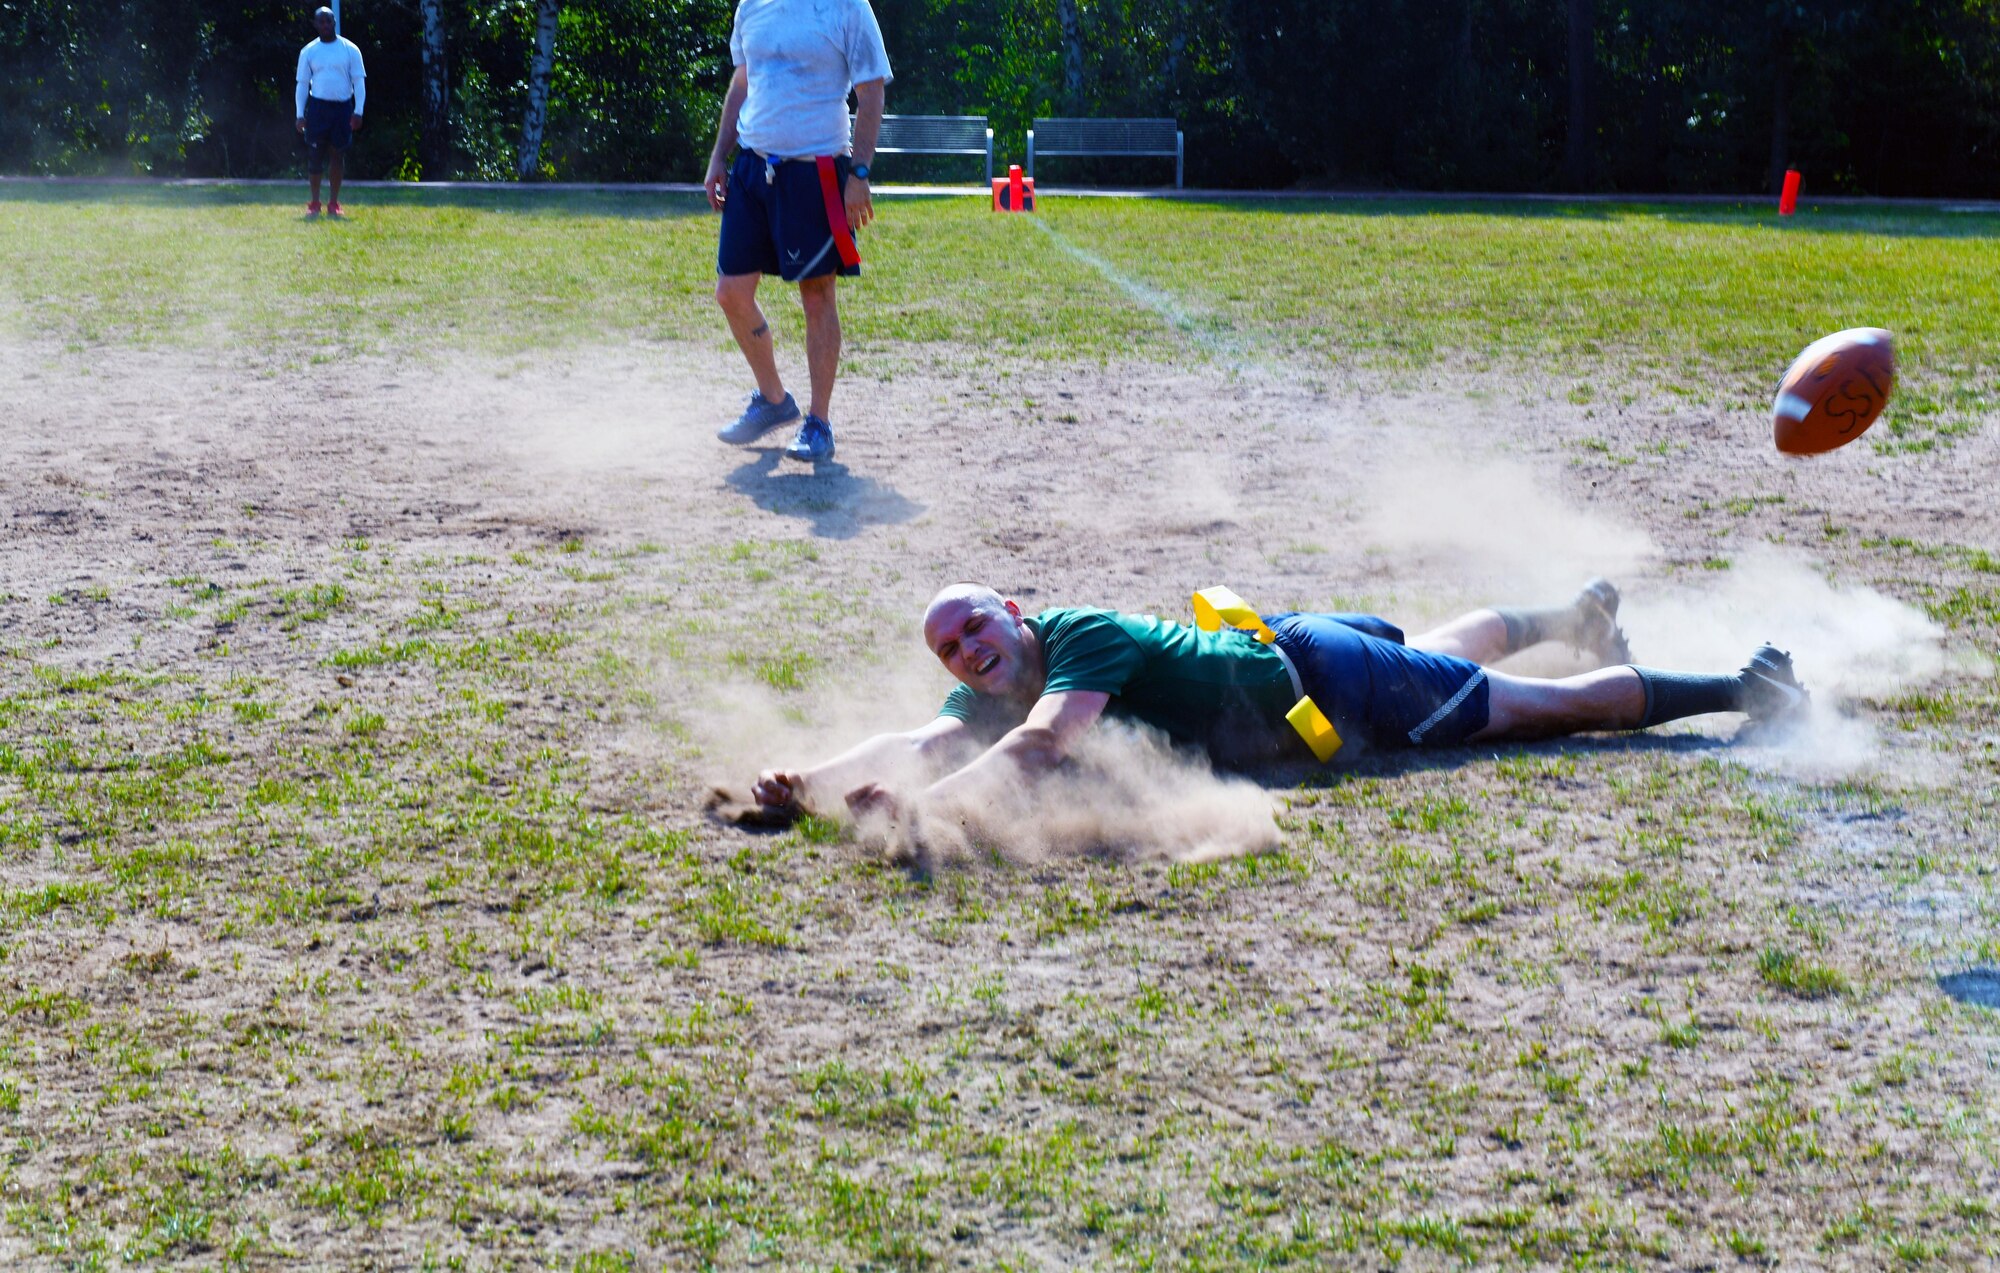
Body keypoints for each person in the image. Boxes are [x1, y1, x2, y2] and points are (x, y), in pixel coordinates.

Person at [749, 580, 1809, 835]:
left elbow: (1038, 746)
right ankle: (1568, 608)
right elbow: (921, 738)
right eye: (949, 648)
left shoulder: (1074, 643)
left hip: (1330, 690)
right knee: (1447, 650)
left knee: (1541, 709)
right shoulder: (987, 685)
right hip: (1295, 648)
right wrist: (811, 782)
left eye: (974, 627)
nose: (966, 652)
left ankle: (1741, 688)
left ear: (1012, 610)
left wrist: (926, 817)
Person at [703, 0, 892, 464]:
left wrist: (860, 174)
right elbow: (741, 84)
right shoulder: (752, 6)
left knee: (816, 292)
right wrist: (718, 158)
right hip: (752, 167)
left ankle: (818, 422)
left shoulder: (847, 8)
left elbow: (870, 93)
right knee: (731, 292)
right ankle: (773, 399)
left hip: (817, 171)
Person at [295, 7, 366, 217]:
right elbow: (302, 84)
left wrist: (358, 111)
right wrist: (300, 114)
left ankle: (333, 203)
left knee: (337, 155)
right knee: (315, 156)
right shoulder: (309, 51)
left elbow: (359, 82)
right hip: (318, 108)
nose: (325, 25)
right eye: (321, 22)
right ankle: (314, 203)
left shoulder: (350, 49)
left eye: (328, 21)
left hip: (342, 108)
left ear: (334, 22)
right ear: (315, 25)